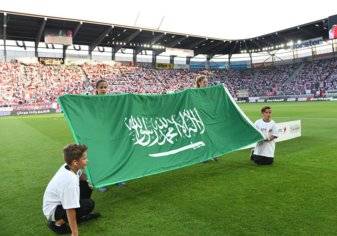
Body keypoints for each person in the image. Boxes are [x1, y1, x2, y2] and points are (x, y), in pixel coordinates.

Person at [43, 144, 100, 235]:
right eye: (84, 158)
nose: (87, 160)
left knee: (87, 184)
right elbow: (70, 209)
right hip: (53, 210)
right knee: (89, 204)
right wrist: (74, 233)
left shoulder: (69, 165)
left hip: (60, 202)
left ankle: (80, 216)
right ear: (75, 162)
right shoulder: (70, 181)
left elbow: (81, 176)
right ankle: (57, 224)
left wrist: (93, 181)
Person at [95, 79, 126, 191]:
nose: (103, 89)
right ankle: (101, 182)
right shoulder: (91, 101)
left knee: (114, 155)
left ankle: (117, 178)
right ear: (96, 89)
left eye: (105, 87)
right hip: (98, 134)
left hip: (110, 133)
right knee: (101, 157)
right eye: (101, 87)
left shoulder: (111, 100)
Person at [195, 75, 218, 162]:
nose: (206, 84)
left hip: (209, 116)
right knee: (202, 137)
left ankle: (214, 154)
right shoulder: (194, 92)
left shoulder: (209, 92)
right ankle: (204, 156)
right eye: (204, 82)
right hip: (199, 118)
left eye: (206, 82)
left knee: (211, 135)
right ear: (199, 83)